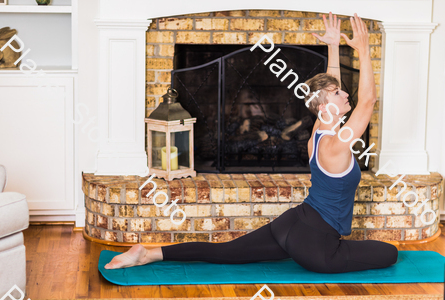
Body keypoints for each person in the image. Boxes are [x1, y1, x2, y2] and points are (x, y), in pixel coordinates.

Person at [104, 12, 398, 273]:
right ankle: (146, 254)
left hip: (292, 224)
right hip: (317, 250)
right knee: (390, 254)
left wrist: (334, 46)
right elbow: (369, 100)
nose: (346, 94)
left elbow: (325, 89)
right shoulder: (338, 144)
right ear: (326, 108)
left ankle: (147, 254)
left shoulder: (320, 131)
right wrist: (362, 50)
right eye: (339, 94)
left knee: (226, 252)